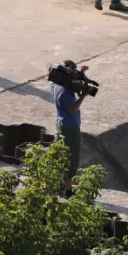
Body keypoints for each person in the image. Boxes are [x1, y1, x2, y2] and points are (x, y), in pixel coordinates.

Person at [52, 62, 87, 192]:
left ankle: (59, 183)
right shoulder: (65, 92)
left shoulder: (55, 84)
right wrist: (83, 96)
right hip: (70, 127)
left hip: (60, 123)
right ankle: (68, 189)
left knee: (61, 154)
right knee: (71, 157)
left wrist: (82, 74)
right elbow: (72, 109)